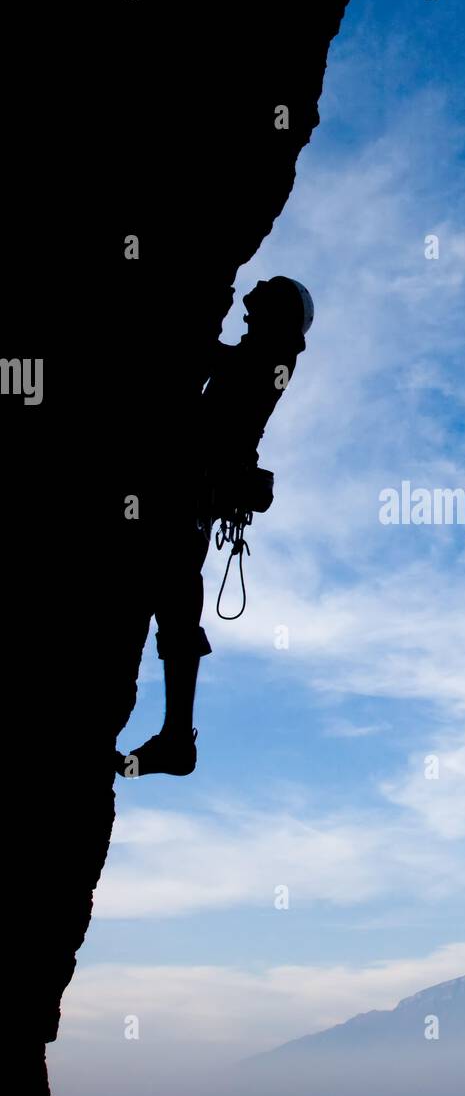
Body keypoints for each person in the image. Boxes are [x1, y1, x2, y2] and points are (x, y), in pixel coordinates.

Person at [116, 276, 314, 778]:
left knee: (176, 602)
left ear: (277, 320)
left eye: (256, 307)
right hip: (193, 493)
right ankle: (176, 737)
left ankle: (178, 737)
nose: (246, 311)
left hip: (190, 493)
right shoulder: (270, 357)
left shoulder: (272, 362)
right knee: (177, 605)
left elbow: (214, 362)